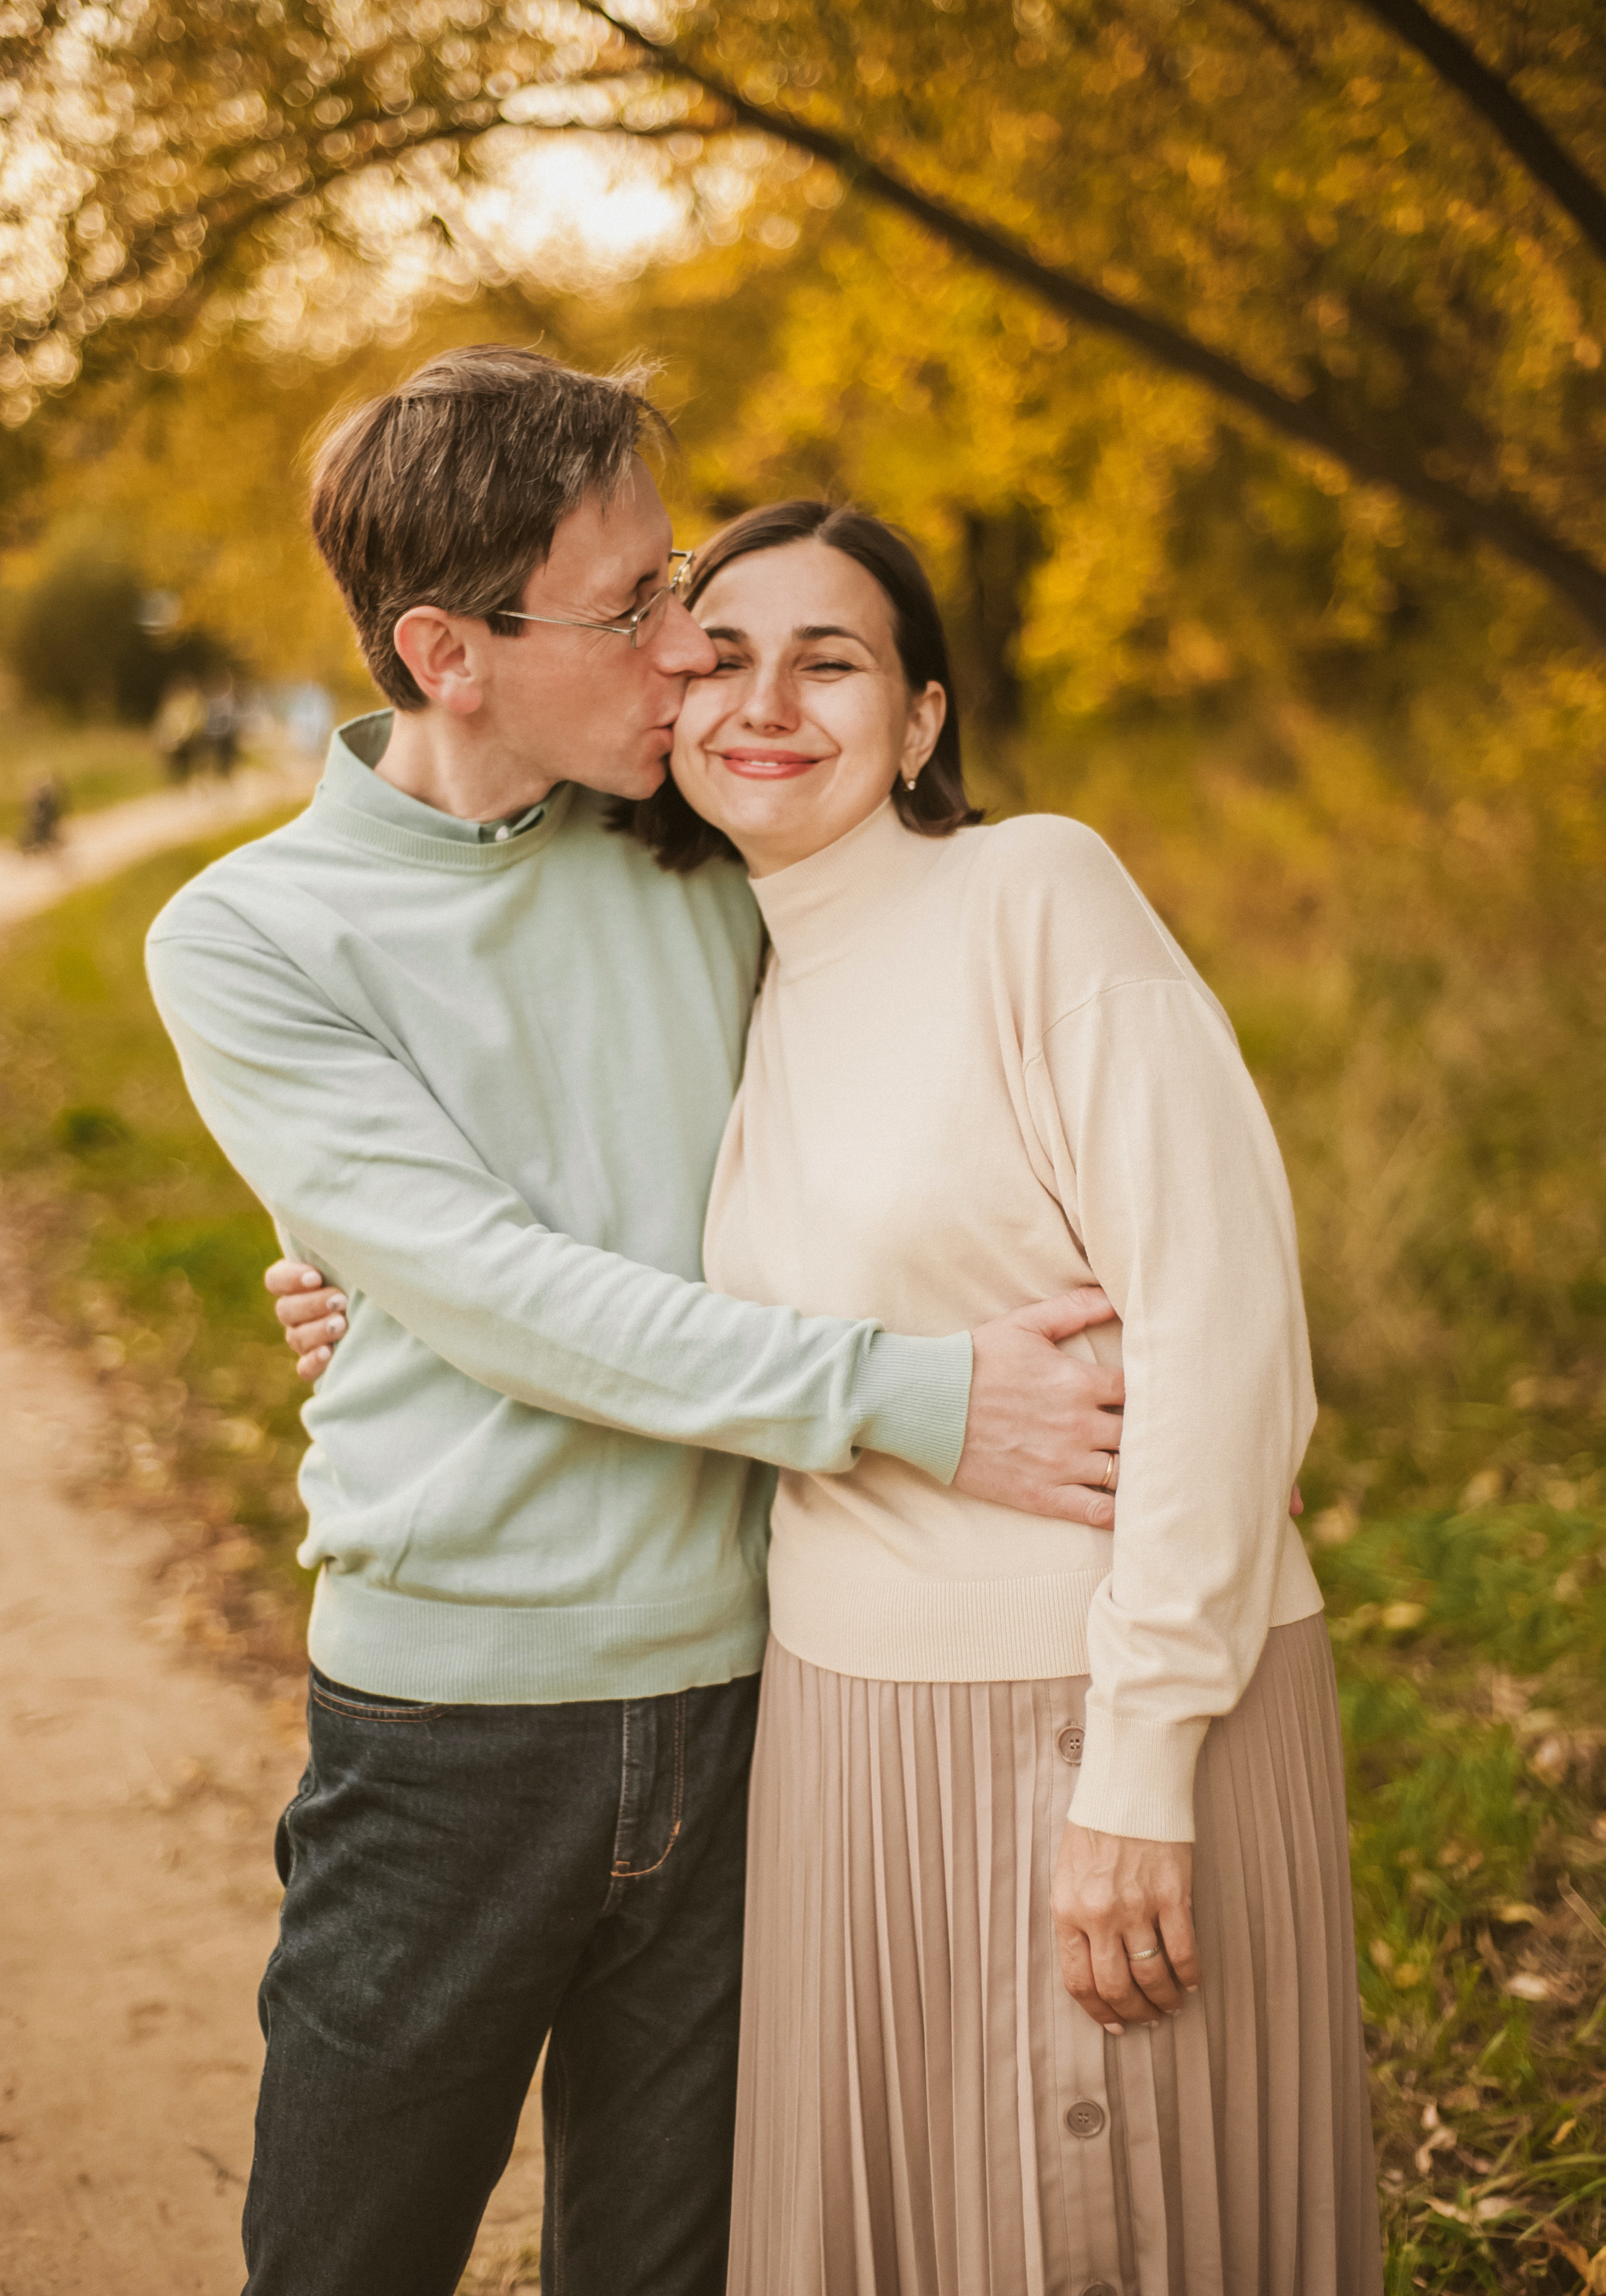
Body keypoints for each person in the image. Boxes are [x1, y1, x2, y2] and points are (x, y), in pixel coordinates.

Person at [277, 495, 1381, 2290]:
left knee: (1092, 2240)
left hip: (1085, 1709)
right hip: (832, 1735)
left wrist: (1145, 1758)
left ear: (924, 718)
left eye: (831, 660)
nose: (763, 701)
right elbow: (593, 1256)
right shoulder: (743, 956)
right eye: (717, 657)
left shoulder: (1034, 894)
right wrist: (369, 1297)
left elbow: (1226, 1327)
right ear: (664, 702)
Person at [144, 346, 1130, 2296]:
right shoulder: (251, 939)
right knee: (345, 2262)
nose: (692, 652)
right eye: (640, 609)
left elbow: (921, 1074)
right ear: (448, 650)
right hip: (448, 1738)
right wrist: (915, 1398)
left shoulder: (701, 848)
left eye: (679, 580)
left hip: (759, 1696)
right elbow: (514, 1297)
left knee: (673, 2272)